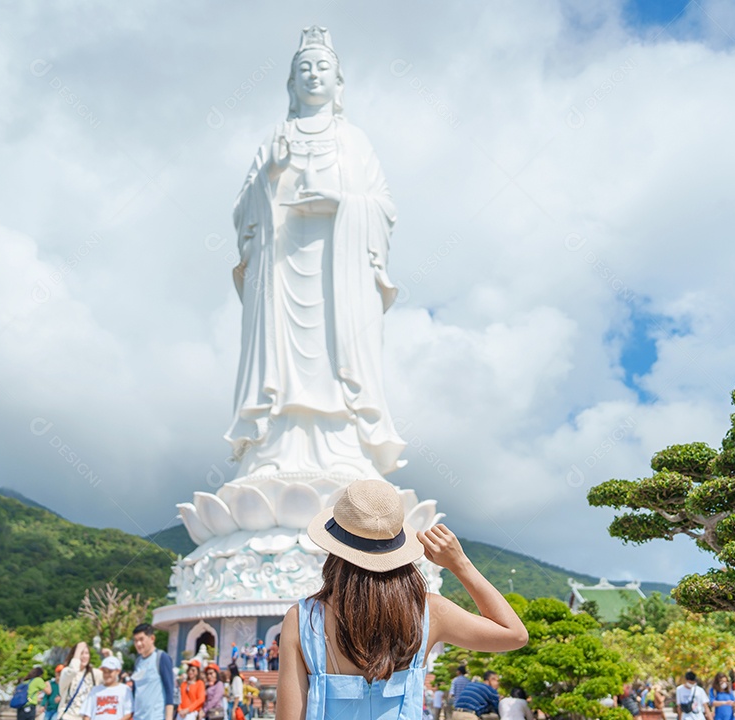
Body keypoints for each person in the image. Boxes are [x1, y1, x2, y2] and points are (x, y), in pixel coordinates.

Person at [226, 26, 406, 484]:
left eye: (322, 67)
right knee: (280, 362)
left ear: (338, 82)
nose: (312, 75)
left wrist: (342, 203)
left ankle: (344, 451)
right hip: (281, 269)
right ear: (291, 83)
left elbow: (384, 208)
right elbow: (241, 213)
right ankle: (273, 451)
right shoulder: (274, 138)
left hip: (337, 273)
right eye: (303, 68)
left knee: (336, 353)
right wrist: (269, 174)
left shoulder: (355, 141)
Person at [277, 478, 529, 720]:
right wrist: (460, 564)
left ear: (334, 547)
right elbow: (515, 634)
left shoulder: (303, 619)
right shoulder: (427, 611)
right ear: (398, 546)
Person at [131, 624, 175, 720]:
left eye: (141, 639)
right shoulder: (138, 662)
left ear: (152, 638)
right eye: (136, 640)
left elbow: (169, 691)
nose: (138, 644)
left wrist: (169, 718)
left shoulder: (161, 658)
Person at [60, 643, 103, 720]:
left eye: (86, 653)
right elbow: (73, 670)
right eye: (81, 653)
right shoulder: (66, 672)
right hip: (69, 717)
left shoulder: (94, 673)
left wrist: (110, 657)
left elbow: (111, 679)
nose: (84, 656)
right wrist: (78, 648)